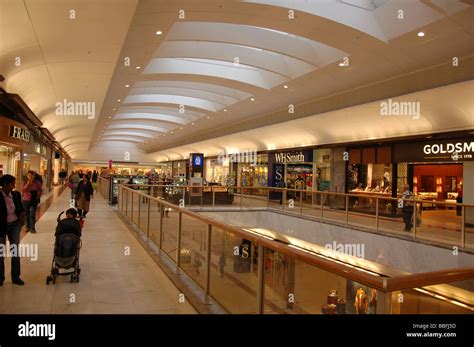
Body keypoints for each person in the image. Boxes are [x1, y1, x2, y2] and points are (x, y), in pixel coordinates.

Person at [0, 175, 26, 285]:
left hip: (14, 224)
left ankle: (16, 276)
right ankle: (0, 278)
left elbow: (21, 208)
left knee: (15, 250)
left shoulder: (16, 195)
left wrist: (21, 222)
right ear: (6, 184)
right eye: (12, 183)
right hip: (1, 226)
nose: (14, 185)